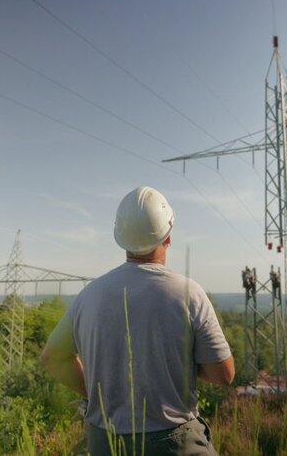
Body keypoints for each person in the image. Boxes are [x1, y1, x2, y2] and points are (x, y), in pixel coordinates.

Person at [41, 186, 234, 455]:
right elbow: (223, 374)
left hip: (104, 442)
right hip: (174, 443)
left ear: (121, 238)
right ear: (168, 237)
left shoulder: (88, 296)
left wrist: (100, 391)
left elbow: (52, 357)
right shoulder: (189, 294)